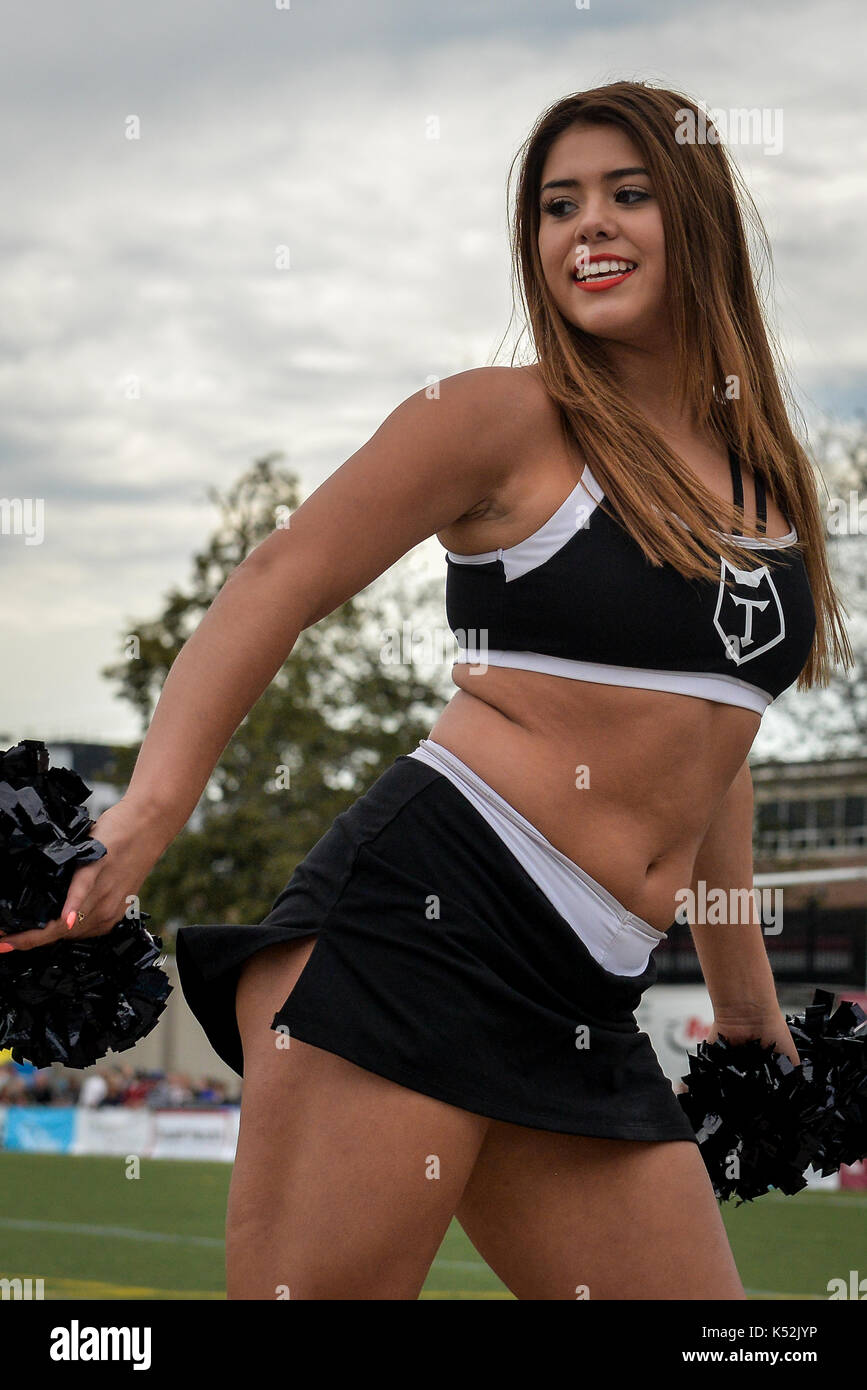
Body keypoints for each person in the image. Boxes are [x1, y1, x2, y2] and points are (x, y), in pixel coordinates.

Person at [2, 81, 851, 1300]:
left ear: (701, 214)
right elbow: (276, 581)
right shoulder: (503, 420)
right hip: (419, 934)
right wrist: (145, 811)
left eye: (627, 194)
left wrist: (749, 1013)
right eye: (558, 206)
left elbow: (715, 740)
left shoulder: (771, 494)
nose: (586, 227)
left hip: (586, 1002)